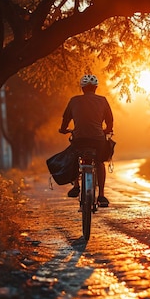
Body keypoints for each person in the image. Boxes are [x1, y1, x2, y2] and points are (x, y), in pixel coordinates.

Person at [59, 74, 114, 207]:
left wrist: (63, 129)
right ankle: (101, 195)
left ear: (82, 88)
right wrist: (107, 130)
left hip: (80, 138)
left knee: (73, 157)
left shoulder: (74, 100)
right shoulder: (103, 100)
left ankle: (76, 186)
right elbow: (110, 120)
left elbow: (66, 119)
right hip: (98, 139)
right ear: (96, 88)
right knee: (100, 162)